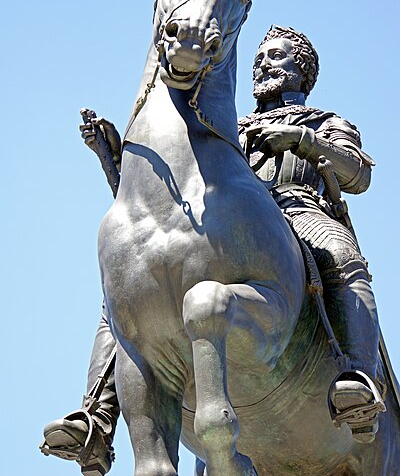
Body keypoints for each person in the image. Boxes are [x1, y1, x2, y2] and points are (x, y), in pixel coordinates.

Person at [41, 25, 385, 473]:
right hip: (226, 222)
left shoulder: (323, 122)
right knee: (130, 289)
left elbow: (358, 174)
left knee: (341, 257)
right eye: (259, 56)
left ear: (302, 71)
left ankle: (356, 378)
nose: (263, 64)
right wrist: (113, 162)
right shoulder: (228, 129)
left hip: (299, 211)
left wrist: (301, 142)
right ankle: (98, 417)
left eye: (277, 57)